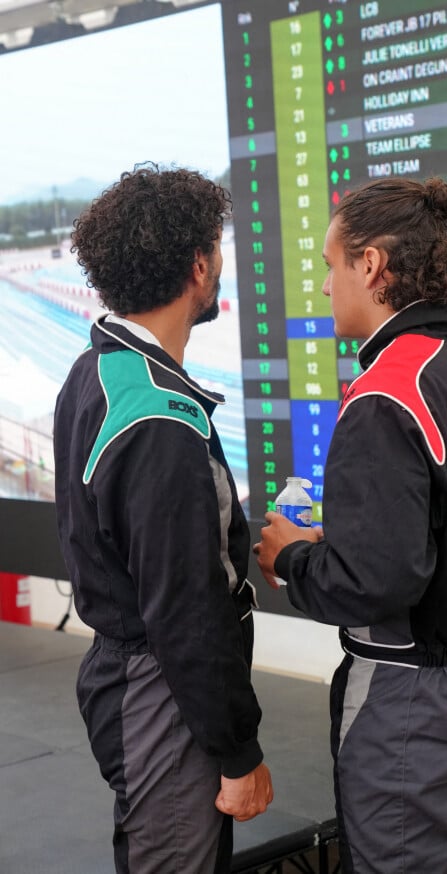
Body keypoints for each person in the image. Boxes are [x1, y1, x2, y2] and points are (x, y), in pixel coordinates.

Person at [254, 176, 447, 874]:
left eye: (328, 264)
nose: (322, 286)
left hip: (411, 697)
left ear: (371, 266)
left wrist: (293, 560)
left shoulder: (383, 394)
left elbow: (375, 581)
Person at [53, 163, 273, 874]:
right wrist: (239, 752)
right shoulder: (159, 420)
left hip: (134, 679)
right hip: (163, 693)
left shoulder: (95, 371)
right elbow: (184, 609)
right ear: (200, 266)